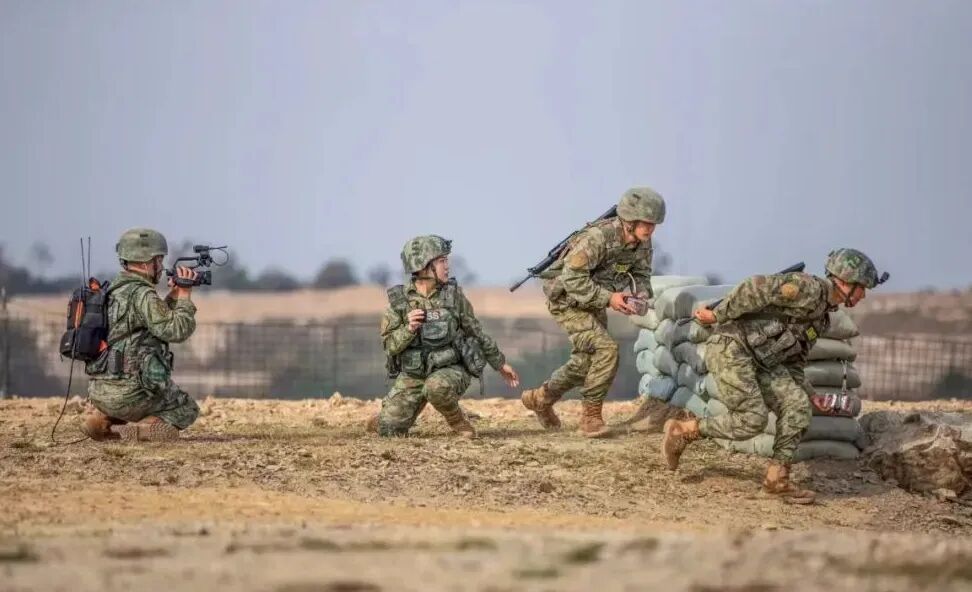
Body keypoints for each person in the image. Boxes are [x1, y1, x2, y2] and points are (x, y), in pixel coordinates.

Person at [662, 248, 888, 504]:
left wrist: (811, 394)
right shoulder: (807, 288)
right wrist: (717, 315)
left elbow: (795, 361)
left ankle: (777, 481)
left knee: (797, 406)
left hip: (765, 362)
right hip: (733, 347)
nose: (863, 295)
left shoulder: (821, 318)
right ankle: (684, 430)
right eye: (861, 288)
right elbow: (753, 287)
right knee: (752, 419)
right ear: (845, 281)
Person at [521, 187, 665, 437]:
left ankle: (540, 398)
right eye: (645, 223)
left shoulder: (642, 243)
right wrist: (610, 298)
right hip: (567, 301)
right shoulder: (597, 238)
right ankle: (591, 418)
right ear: (629, 220)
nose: (650, 229)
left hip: (593, 302)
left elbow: (641, 273)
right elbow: (572, 279)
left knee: (584, 362)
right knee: (606, 350)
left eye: (653, 224)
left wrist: (640, 294)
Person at [371, 235, 520, 438]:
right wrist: (409, 328)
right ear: (424, 266)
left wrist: (500, 364)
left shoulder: (453, 296)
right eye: (442, 261)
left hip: (450, 369)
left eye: (446, 261)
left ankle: (457, 420)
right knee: (389, 430)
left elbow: (476, 332)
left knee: (436, 387)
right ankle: (384, 420)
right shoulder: (400, 302)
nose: (447, 266)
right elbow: (390, 346)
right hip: (414, 374)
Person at [80, 228, 200, 442]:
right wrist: (184, 295)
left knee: (125, 397)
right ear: (146, 263)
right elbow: (177, 330)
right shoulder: (143, 294)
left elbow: (151, 323)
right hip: (133, 393)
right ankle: (144, 428)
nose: (161, 267)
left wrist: (173, 296)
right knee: (187, 408)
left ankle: (103, 421)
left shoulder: (112, 290)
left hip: (100, 391)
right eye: (159, 260)